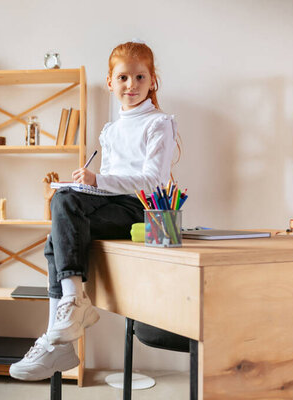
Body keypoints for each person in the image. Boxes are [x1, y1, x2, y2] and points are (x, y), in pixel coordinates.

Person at [9, 40, 179, 381]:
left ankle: (62, 330)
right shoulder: (111, 130)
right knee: (63, 204)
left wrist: (97, 179)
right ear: (110, 82)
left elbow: (151, 181)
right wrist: (88, 185)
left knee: (55, 235)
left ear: (152, 81)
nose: (131, 85)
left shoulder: (158, 123)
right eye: (123, 78)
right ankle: (66, 326)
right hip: (110, 202)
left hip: (138, 210)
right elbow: (108, 183)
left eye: (140, 77)